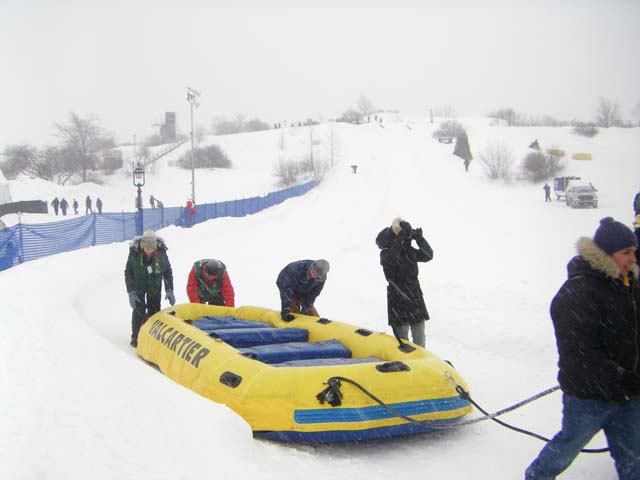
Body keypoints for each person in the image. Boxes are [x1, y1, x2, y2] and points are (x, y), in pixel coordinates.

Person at [525, 217, 640, 480]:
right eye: (626, 252)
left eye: (634, 251)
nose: (633, 258)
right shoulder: (579, 291)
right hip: (589, 397)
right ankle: (536, 476)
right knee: (566, 447)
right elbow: (580, 352)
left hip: (629, 396)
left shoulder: (630, 287)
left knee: (633, 457)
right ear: (607, 254)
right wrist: (619, 376)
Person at [375, 217, 433, 348]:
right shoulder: (385, 254)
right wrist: (400, 236)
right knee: (403, 342)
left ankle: (421, 364)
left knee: (420, 340)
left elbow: (428, 255)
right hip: (398, 300)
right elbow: (392, 259)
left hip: (414, 296)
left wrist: (419, 239)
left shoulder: (408, 251)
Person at [124, 229, 175, 347]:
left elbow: (167, 272)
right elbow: (128, 273)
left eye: (151, 249)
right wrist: (131, 292)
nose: (149, 251)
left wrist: (169, 289)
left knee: (154, 311)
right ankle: (136, 336)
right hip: (139, 286)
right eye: (147, 248)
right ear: (142, 246)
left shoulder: (161, 254)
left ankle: (153, 337)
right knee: (138, 311)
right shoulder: (134, 254)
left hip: (154, 286)